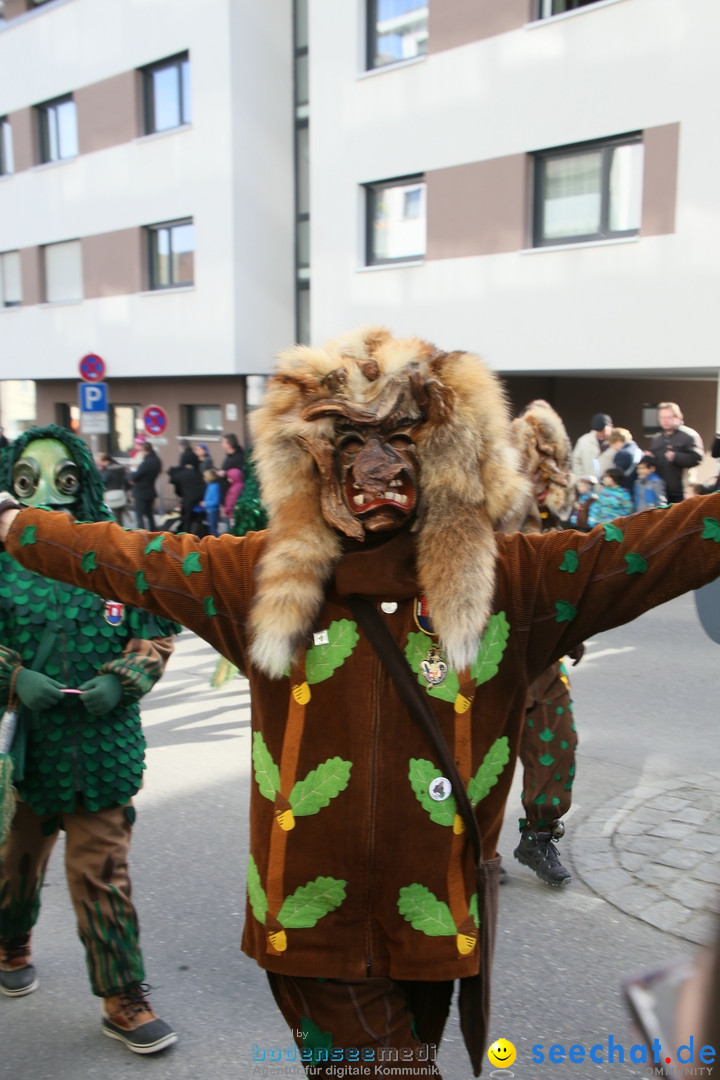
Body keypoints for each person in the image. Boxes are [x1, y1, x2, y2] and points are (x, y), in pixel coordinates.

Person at [3, 328, 720, 1078]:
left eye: (402, 442)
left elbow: (660, 544)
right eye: (349, 442)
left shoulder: (519, 580)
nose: (375, 471)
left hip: (434, 927)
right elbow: (124, 556)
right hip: (311, 931)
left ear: (446, 453)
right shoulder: (258, 575)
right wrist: (16, 526)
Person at [0, 426, 179, 1055]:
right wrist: (14, 677)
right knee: (15, 866)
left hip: (104, 754)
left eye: (62, 478)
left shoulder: (115, 557)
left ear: (84, 481)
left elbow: (155, 636)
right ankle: (10, 939)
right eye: (28, 478)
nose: (47, 492)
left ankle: (123, 996)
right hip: (25, 755)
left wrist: (126, 679)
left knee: (103, 873)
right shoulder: (2, 562)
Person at [505, 401, 579, 887]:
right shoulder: (491, 509)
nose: (546, 473)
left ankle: (538, 837)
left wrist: (577, 628)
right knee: (477, 756)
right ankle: (466, 849)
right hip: (488, 651)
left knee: (557, 741)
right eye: (540, 461)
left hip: (545, 651)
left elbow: (571, 574)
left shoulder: (555, 517)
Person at [649, 402, 704, 504]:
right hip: (660, 491)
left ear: (678, 417)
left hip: (681, 492)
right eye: (661, 417)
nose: (664, 420)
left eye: (668, 417)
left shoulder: (689, 436)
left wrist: (676, 457)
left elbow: (697, 458)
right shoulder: (656, 438)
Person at [571, 412, 615, 480]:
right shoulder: (584, 441)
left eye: (603, 430)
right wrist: (581, 479)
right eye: (597, 430)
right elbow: (576, 461)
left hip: (609, 487)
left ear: (610, 426)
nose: (600, 433)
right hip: (587, 486)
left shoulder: (618, 442)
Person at [167, 462, 206, 536]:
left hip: (190, 496)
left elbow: (178, 491)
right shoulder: (189, 471)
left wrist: (183, 499)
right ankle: (198, 532)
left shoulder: (175, 476)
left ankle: (185, 534)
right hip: (202, 493)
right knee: (198, 515)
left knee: (187, 515)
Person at [130, 442, 161, 530]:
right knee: (149, 515)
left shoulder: (147, 462)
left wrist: (131, 475)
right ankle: (153, 533)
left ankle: (141, 535)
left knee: (139, 516)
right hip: (151, 490)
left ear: (144, 450)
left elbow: (137, 475)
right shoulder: (157, 460)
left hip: (141, 491)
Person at [98, 452, 130, 525]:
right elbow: (127, 482)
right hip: (121, 495)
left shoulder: (107, 471)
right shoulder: (120, 468)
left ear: (105, 461)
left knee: (113, 519)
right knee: (120, 518)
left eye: (100, 461)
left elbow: (103, 482)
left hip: (110, 497)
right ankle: (121, 532)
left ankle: (117, 534)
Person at [608, 427, 643, 493]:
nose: (613, 448)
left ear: (617, 441)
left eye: (612, 444)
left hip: (625, 492)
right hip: (639, 491)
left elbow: (616, 475)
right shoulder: (640, 452)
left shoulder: (622, 454)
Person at [202, 468, 222, 537]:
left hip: (213, 511)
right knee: (211, 529)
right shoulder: (210, 485)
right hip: (209, 510)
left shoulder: (214, 486)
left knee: (213, 530)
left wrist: (206, 503)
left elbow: (216, 501)